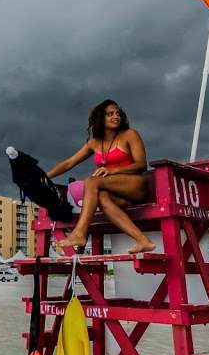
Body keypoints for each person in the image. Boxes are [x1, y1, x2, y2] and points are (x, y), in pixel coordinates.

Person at [48, 99, 156, 255]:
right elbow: (69, 163)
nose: (116, 116)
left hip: (135, 186)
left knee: (92, 181)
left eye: (118, 113)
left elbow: (141, 165)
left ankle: (79, 233)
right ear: (101, 118)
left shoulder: (130, 134)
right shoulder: (94, 143)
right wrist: (43, 176)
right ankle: (143, 240)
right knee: (103, 198)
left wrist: (113, 171)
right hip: (113, 192)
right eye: (110, 114)